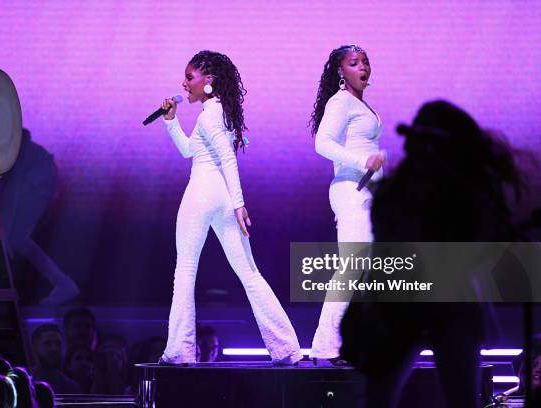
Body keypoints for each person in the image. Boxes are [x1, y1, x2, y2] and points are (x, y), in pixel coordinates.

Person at [340, 100, 524, 408]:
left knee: (384, 399)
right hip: (418, 306)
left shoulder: (407, 193)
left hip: (412, 305)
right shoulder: (410, 194)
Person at [158, 50, 302, 365]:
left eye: (189, 77)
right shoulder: (216, 113)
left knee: (185, 270)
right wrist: (171, 121)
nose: (184, 84)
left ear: (208, 80)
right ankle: (288, 349)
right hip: (221, 196)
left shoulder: (210, 115)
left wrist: (240, 204)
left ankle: (180, 351)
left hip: (202, 193)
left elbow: (226, 158)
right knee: (249, 273)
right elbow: (189, 151)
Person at [309, 45, 384, 364]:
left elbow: (368, 149)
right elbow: (322, 143)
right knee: (351, 268)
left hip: (365, 191)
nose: (363, 66)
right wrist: (362, 160)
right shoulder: (340, 102)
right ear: (341, 71)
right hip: (351, 189)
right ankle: (326, 346)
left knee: (363, 270)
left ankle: (347, 342)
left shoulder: (360, 104)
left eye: (366, 61)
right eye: (354, 63)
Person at [0, 128, 79, 305]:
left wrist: (2, 236)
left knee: (3, 235)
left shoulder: (13, 158)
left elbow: (11, 198)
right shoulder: (1, 153)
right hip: (35, 179)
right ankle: (63, 282)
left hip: (37, 180)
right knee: (16, 238)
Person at [30, 324, 80, 394]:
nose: (54, 348)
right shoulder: (25, 382)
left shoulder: (70, 387)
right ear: (35, 347)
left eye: (58, 343)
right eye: (47, 343)